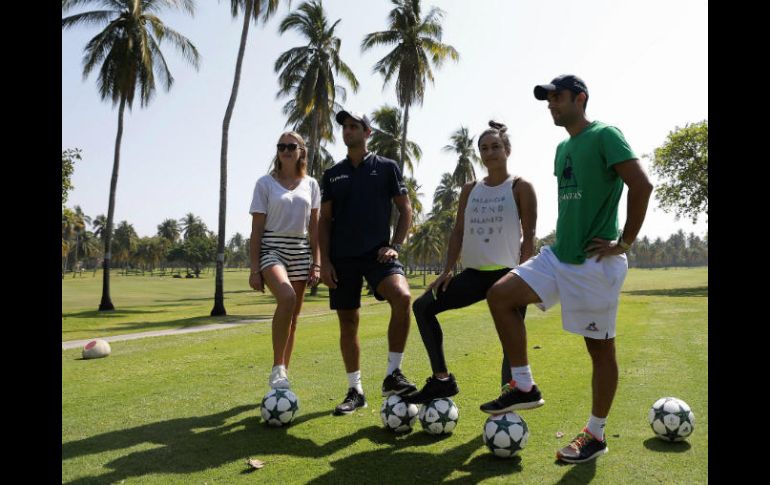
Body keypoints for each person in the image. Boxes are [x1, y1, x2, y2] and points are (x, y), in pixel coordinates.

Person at [480, 74, 653, 464]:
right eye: (548, 99)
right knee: (500, 295)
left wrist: (623, 243)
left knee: (599, 350)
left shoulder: (606, 134)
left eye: (557, 97)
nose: (551, 104)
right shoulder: (562, 148)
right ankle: (523, 385)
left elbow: (641, 186)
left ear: (580, 98)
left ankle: (596, 433)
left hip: (596, 264)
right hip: (560, 255)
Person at [406, 121, 537, 405]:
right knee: (423, 306)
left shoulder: (520, 186)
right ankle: (442, 380)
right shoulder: (470, 189)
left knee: (510, 342)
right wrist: (447, 269)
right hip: (474, 274)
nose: (490, 153)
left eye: (496, 147)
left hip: (508, 275)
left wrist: (525, 276)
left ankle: (511, 395)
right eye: (484, 148)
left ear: (507, 150)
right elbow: (458, 232)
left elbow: (529, 237)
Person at [319, 109, 417, 415]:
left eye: (353, 126)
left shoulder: (387, 168)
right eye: (344, 127)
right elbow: (324, 221)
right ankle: (355, 390)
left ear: (367, 132)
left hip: (378, 255)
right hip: (342, 258)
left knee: (402, 297)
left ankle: (392, 374)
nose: (347, 131)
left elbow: (406, 210)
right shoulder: (332, 174)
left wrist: (395, 245)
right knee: (348, 323)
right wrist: (324, 262)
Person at [249, 131, 321, 391]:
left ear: (301, 150)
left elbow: (314, 228)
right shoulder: (265, 184)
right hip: (272, 250)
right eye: (281, 146)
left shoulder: (311, 184)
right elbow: (256, 230)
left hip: (301, 252)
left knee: (293, 318)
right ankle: (277, 367)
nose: (286, 150)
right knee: (287, 298)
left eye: (291, 146)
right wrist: (254, 269)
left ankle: (282, 378)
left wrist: (317, 263)